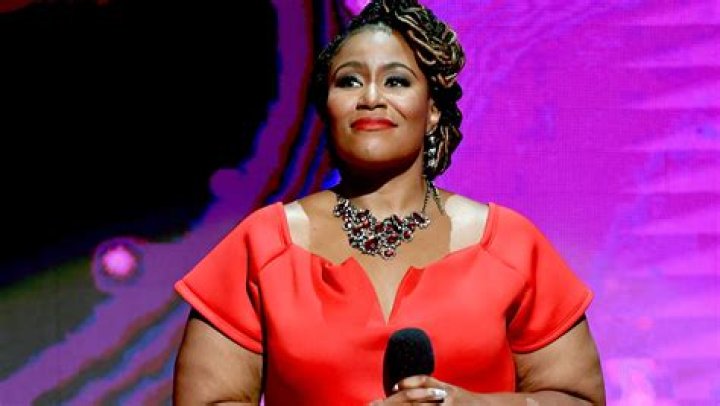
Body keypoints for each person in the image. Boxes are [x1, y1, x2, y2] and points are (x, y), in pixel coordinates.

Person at [172, 0, 606, 404]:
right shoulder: (263, 245)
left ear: (432, 109)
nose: (371, 98)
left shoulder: (510, 245)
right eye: (349, 81)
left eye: (396, 80)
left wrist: (472, 405)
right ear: (326, 107)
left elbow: (577, 399)